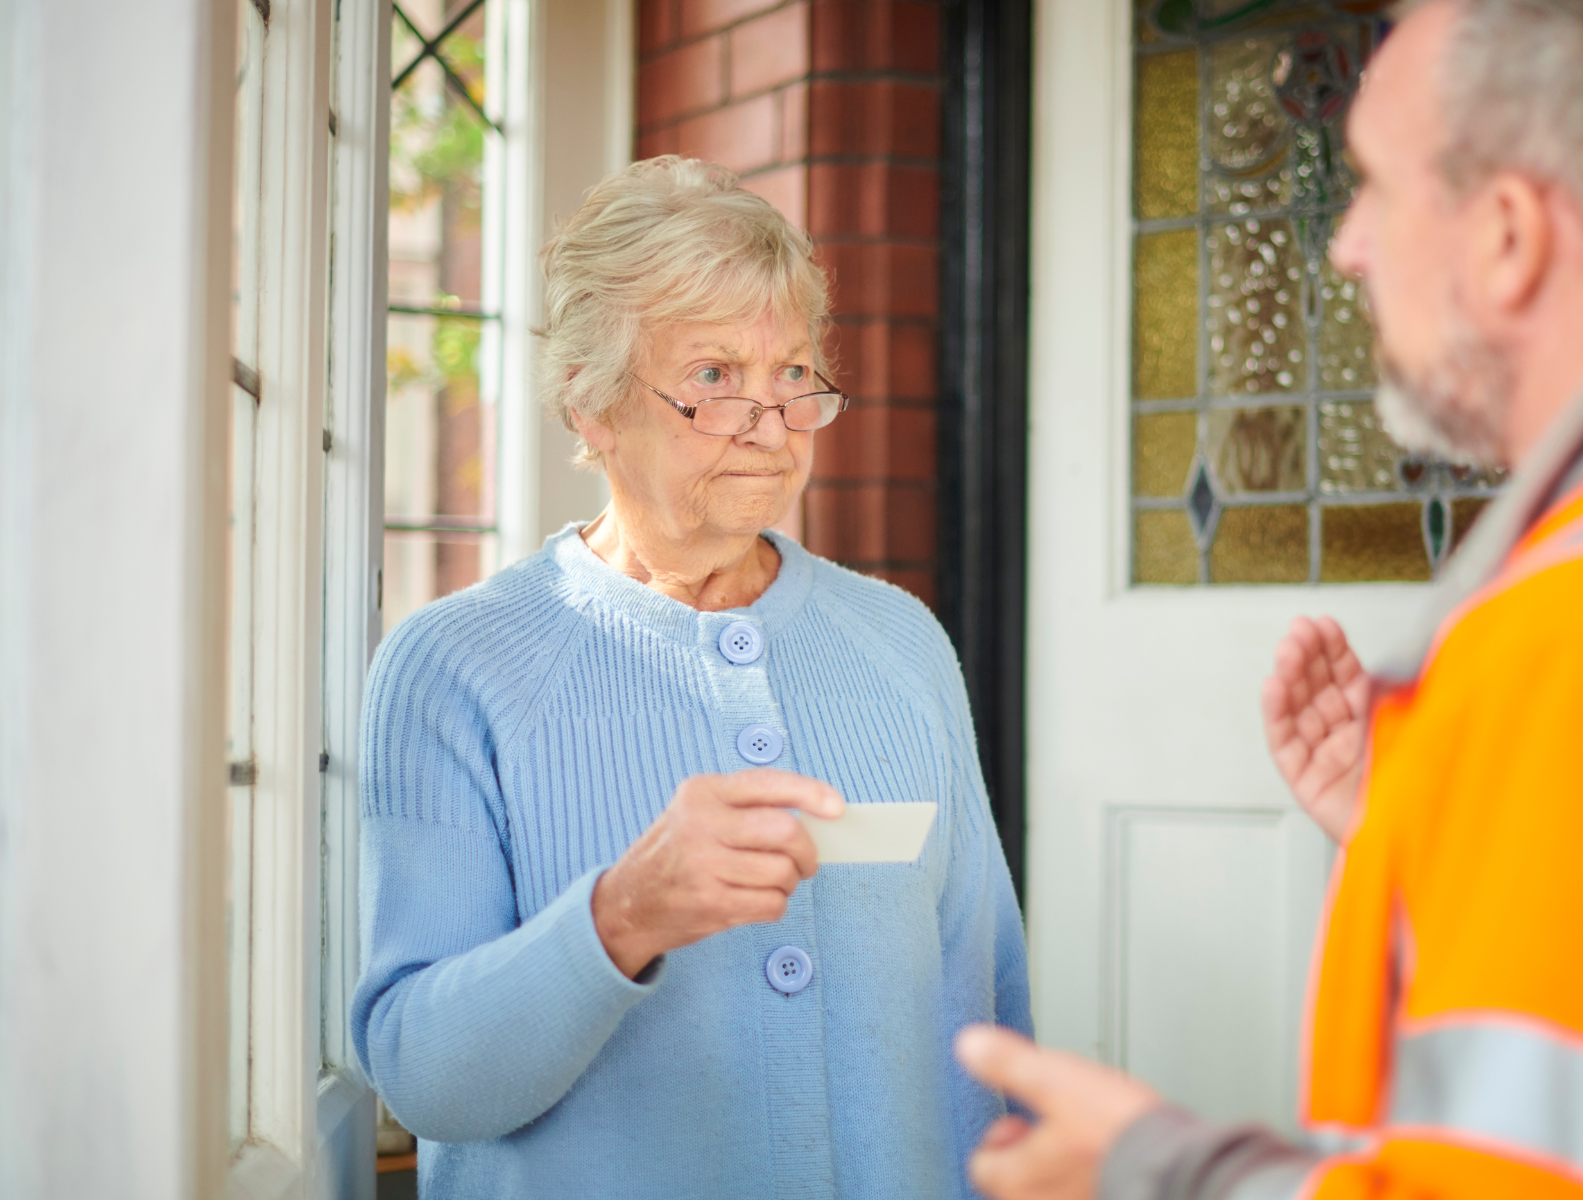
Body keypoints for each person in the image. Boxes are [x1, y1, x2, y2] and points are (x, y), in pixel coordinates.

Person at [953, 1, 1583, 1197]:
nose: (1345, 246)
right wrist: (1411, 828)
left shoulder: (1550, 641)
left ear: (1506, 237)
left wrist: (1156, 1171)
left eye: (1375, 188)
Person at [351, 155, 1032, 1198]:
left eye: (792, 375)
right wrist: (623, 915)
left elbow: (983, 1011)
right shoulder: (453, 669)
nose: (767, 424)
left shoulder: (901, 644)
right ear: (590, 404)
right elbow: (424, 1078)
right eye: (714, 378)